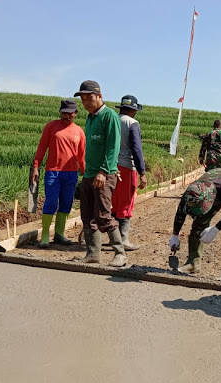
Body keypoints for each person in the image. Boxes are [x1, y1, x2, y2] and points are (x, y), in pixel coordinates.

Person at [73, 80, 126, 267]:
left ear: (100, 96)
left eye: (90, 98)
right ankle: (93, 253)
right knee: (87, 216)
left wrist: (103, 171)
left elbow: (113, 147)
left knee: (103, 215)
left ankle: (120, 253)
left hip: (104, 174)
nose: (86, 102)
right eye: (83, 99)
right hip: (89, 174)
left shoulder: (109, 116)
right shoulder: (90, 118)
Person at [169, 168, 221, 283]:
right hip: (214, 182)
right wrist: (175, 234)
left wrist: (216, 229)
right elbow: (181, 212)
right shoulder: (191, 192)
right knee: (199, 221)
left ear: (209, 199)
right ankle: (193, 263)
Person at [30, 99, 86, 248]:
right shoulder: (51, 126)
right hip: (53, 172)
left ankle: (60, 234)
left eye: (70, 114)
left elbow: (82, 155)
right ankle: (46, 235)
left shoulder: (79, 131)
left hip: (71, 173)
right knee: (51, 202)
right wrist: (36, 166)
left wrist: (85, 173)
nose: (67, 116)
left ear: (75, 113)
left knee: (67, 203)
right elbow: (42, 148)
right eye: (64, 113)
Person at [112, 95, 147, 251]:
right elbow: (137, 149)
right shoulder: (132, 123)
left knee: (111, 201)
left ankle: (113, 237)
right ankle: (123, 240)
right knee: (126, 203)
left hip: (110, 167)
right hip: (126, 167)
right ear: (133, 110)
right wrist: (142, 172)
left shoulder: (112, 120)